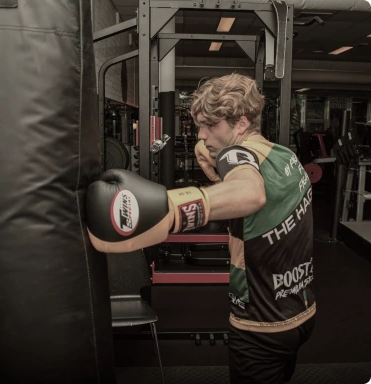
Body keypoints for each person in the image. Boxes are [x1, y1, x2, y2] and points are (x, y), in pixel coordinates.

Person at [85, 73, 316, 384]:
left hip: (259, 325)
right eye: (200, 126)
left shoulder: (237, 155)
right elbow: (259, 201)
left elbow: (251, 193)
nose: (203, 135)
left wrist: (169, 212)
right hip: (299, 313)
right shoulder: (284, 156)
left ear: (242, 123)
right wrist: (215, 168)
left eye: (212, 125)